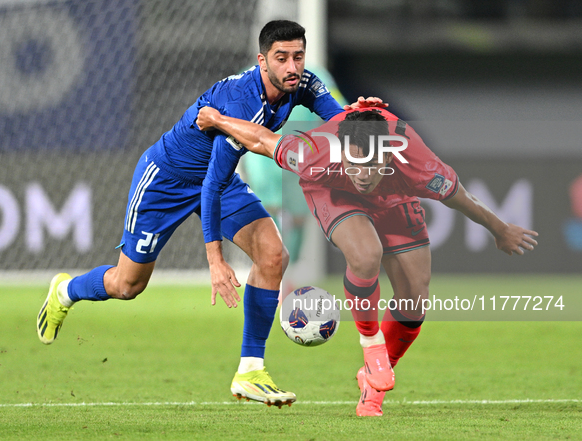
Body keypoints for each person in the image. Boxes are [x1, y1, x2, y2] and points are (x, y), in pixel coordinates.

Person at [36, 19, 380, 408]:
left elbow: (337, 120)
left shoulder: (302, 84)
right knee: (127, 286)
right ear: (262, 61)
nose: (291, 67)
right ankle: (65, 291)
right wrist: (215, 260)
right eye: (281, 58)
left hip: (218, 180)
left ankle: (250, 371)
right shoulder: (240, 105)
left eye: (297, 57)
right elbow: (210, 186)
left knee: (273, 255)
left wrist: (359, 125)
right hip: (167, 180)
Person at [195, 106, 539, 416]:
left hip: (394, 196)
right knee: (365, 253)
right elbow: (264, 140)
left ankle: (371, 385)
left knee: (415, 298)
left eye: (370, 165)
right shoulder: (317, 153)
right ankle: (371, 346)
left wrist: (500, 229)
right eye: (353, 162)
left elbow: (460, 197)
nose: (360, 172)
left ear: (387, 157)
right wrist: (217, 119)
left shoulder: (417, 164)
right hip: (333, 191)